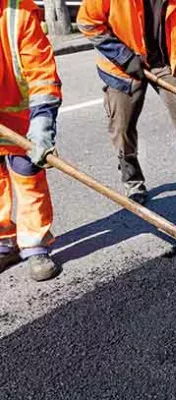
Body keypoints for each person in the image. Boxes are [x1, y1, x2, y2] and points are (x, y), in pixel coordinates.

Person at [77, 0, 176, 206]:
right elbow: (88, 22)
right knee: (122, 126)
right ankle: (133, 182)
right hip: (122, 68)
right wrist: (124, 57)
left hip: (164, 63)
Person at [0, 0, 63, 281]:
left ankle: (35, 244)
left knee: (28, 176)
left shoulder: (18, 13)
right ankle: (4, 240)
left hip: (19, 119)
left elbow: (41, 72)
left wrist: (42, 122)